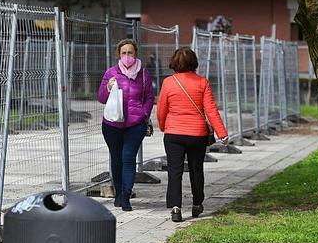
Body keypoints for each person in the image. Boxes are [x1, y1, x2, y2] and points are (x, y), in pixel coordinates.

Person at [156, 47, 228, 222]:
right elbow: (211, 110)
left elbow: (161, 109)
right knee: (196, 170)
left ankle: (175, 207)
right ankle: (197, 203)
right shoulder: (202, 83)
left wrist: (163, 126)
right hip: (197, 134)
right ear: (194, 63)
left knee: (175, 171)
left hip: (174, 134)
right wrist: (222, 133)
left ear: (174, 63)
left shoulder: (168, 82)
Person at [97, 39, 155, 211]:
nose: (127, 56)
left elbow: (150, 97)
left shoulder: (143, 74)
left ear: (135, 54)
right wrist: (108, 87)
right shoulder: (111, 73)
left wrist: (144, 114)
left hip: (135, 124)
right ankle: (118, 193)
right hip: (112, 124)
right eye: (124, 53)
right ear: (119, 55)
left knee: (128, 158)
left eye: (130, 53)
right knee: (116, 160)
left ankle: (126, 196)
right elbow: (101, 98)